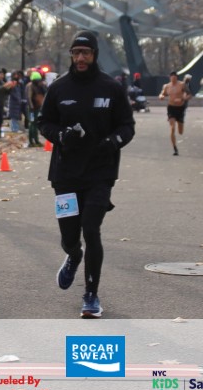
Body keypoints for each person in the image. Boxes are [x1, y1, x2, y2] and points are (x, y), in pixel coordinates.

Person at [39, 30, 136, 318]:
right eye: (76, 53)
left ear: (94, 55)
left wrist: (112, 142)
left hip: (100, 173)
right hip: (65, 174)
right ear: (71, 55)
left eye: (86, 53)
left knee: (91, 229)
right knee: (70, 236)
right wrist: (60, 135)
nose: (81, 58)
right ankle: (73, 254)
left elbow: (127, 126)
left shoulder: (111, 88)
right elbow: (44, 122)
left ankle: (91, 295)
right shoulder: (59, 88)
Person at [158, 71, 190, 156]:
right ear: (170, 78)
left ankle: (181, 124)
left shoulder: (182, 85)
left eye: (174, 77)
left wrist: (183, 99)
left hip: (180, 108)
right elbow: (162, 94)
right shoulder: (167, 86)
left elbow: (189, 95)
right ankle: (175, 148)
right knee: (172, 128)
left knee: (180, 131)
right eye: (171, 77)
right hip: (171, 108)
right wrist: (161, 96)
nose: (173, 79)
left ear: (177, 78)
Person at [26, 70, 47, 147]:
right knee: (32, 124)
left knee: (35, 124)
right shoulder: (30, 86)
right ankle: (31, 141)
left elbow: (45, 93)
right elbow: (29, 97)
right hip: (32, 108)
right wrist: (31, 107)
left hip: (38, 107)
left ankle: (35, 140)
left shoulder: (40, 86)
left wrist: (43, 86)